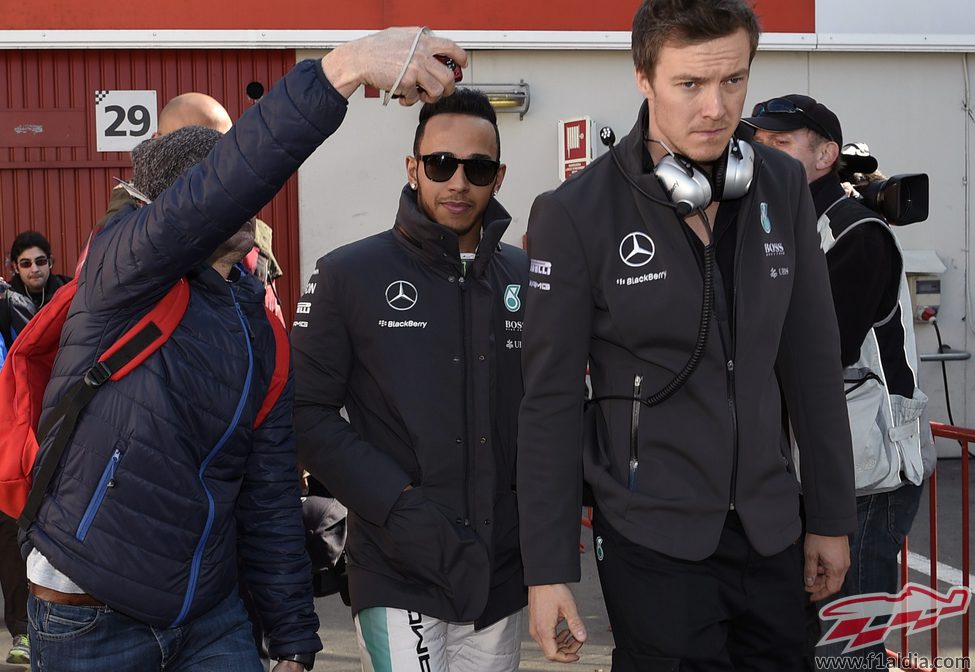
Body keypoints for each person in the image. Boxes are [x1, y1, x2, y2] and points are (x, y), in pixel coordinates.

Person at [21, 27, 467, 672]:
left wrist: (290, 630)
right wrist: (344, 69)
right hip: (90, 608)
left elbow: (266, 489)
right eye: (216, 191)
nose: (244, 203)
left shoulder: (256, 320)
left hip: (209, 612)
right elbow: (213, 193)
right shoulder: (123, 266)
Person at [516, 1, 858, 670]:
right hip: (651, 535)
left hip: (768, 528)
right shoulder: (575, 213)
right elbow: (548, 402)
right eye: (690, 84)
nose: (715, 106)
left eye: (733, 80)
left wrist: (828, 517)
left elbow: (812, 366)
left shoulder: (780, 184)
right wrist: (547, 568)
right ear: (643, 78)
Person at [291, 88, 527, 672]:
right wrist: (395, 504)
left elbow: (552, 412)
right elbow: (302, 411)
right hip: (398, 566)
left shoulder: (528, 276)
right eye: (441, 164)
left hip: (500, 573)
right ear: (413, 168)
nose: (458, 182)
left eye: (477, 168)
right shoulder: (348, 274)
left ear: (498, 177)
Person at [746, 98, 929, 670]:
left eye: (780, 144)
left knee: (843, 647)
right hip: (815, 472)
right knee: (803, 639)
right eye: (756, 142)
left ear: (826, 155)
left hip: (867, 480)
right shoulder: (780, 225)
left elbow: (813, 352)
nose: (759, 154)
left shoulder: (856, 232)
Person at [0, 231, 71, 665]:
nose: (34, 269)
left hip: (64, 426)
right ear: (14, 268)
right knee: (12, 527)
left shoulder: (67, 295)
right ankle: (23, 631)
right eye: (25, 263)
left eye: (40, 261)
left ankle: (59, 624)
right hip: (19, 425)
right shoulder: (5, 307)